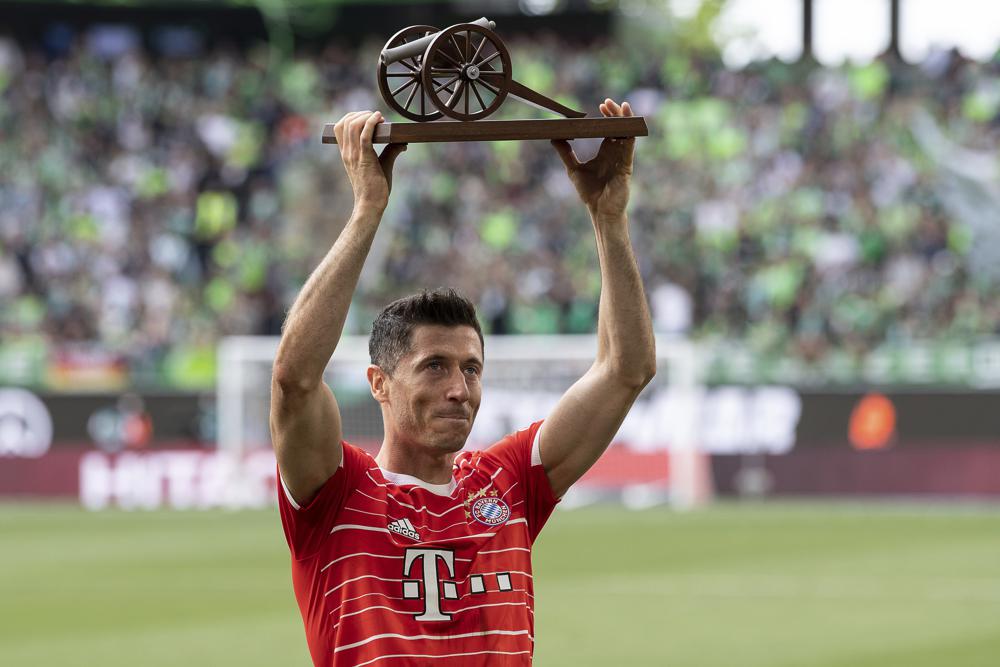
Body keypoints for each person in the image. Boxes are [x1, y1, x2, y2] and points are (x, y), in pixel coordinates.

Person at [270, 98, 655, 667]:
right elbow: (295, 379)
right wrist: (367, 210)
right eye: (434, 366)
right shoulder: (337, 492)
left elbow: (625, 370)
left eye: (471, 368)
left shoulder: (508, 483)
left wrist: (608, 219)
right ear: (379, 383)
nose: (459, 388)